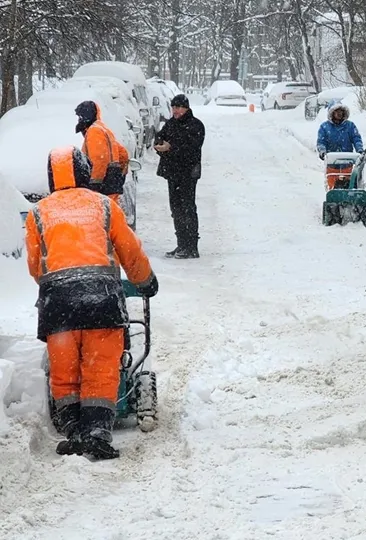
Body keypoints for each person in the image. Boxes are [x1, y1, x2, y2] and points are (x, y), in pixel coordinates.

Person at [24, 146, 159, 460]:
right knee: (101, 368)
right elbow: (129, 250)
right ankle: (97, 434)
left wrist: (58, 281)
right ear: (85, 171)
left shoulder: (37, 213)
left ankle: (72, 430)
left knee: (65, 370)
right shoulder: (104, 206)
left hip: (57, 303)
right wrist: (145, 281)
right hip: (103, 299)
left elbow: (35, 265)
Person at [155, 94, 205, 259]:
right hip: (173, 173)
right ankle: (181, 244)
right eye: (173, 107)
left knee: (188, 207)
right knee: (175, 208)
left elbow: (191, 148)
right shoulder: (171, 124)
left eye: (178, 107)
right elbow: (160, 137)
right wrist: (160, 144)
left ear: (186, 108)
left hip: (188, 173)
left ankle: (192, 246)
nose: (175, 110)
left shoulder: (196, 125)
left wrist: (171, 147)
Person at [75, 101, 129, 204]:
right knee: (111, 214)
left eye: (80, 117)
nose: (78, 120)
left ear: (86, 116)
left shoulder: (94, 131)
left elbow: (99, 159)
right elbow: (122, 153)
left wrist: (94, 184)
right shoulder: (102, 128)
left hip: (103, 187)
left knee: (103, 216)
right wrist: (119, 174)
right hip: (111, 183)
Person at [316, 102, 364, 190]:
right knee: (332, 186)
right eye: (336, 111)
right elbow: (321, 141)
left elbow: (356, 138)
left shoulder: (350, 126)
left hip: (348, 163)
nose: (339, 114)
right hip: (332, 163)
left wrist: (359, 149)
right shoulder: (325, 127)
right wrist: (322, 151)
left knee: (350, 185)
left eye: (341, 111)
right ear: (332, 113)